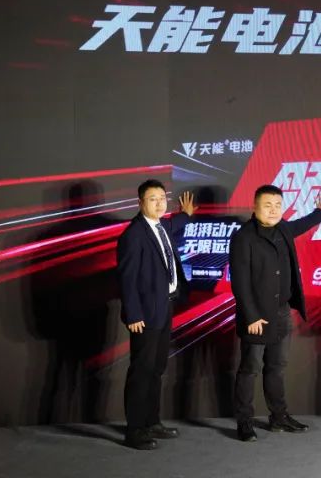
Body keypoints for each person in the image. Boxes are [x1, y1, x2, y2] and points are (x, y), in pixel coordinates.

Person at [230, 185, 321, 442]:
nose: (273, 210)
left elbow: (300, 225)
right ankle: (244, 422)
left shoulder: (283, 227)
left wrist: (320, 213)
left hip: (282, 312)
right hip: (257, 316)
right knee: (250, 369)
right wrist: (251, 316)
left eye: (277, 205)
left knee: (277, 367)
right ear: (254, 207)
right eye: (267, 205)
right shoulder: (243, 237)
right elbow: (239, 282)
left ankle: (279, 417)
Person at [117, 179, 195, 450]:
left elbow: (175, 224)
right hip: (145, 314)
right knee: (141, 371)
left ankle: (152, 422)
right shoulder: (133, 235)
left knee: (157, 369)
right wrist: (133, 314)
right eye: (153, 199)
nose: (160, 203)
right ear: (140, 203)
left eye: (162, 198)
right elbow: (126, 279)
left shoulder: (161, 226)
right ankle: (135, 430)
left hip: (164, 308)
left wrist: (186, 215)